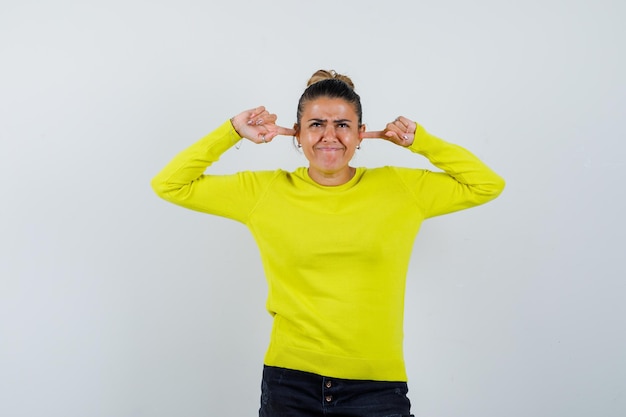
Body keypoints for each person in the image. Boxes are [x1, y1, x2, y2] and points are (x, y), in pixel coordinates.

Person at [151, 69, 505, 417]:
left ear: (361, 134)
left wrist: (421, 142)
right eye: (317, 124)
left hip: (377, 388)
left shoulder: (401, 189)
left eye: (343, 125)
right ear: (297, 133)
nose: (329, 135)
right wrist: (232, 131)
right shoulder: (265, 193)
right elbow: (170, 184)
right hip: (290, 384)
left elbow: (486, 184)